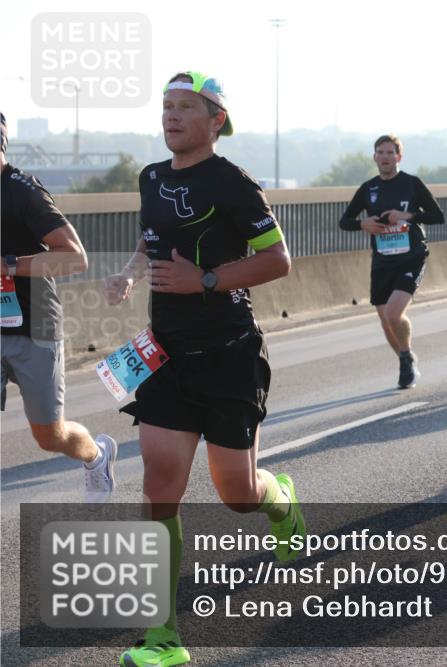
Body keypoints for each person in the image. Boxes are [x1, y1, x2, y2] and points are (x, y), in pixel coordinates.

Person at [104, 72, 303, 667]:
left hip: (229, 356)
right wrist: (132, 272)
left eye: (184, 107)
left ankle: (278, 499)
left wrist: (206, 280)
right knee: (159, 490)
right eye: (166, 106)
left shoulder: (233, 183)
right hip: (165, 354)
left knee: (236, 494)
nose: (170, 116)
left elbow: (279, 260)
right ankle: (161, 636)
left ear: (215, 119)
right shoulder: (152, 177)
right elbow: (151, 240)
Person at [0, 111, 118, 503]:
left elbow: (75, 258)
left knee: (50, 436)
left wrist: (11, 265)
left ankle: (97, 456)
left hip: (34, 327)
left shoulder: (22, 192)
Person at [339, 134, 444, 388]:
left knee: (394, 313)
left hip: (411, 257)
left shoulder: (412, 184)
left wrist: (406, 215)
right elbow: (345, 221)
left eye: (390, 153)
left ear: (399, 156)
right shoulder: (368, 188)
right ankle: (405, 359)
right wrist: (362, 223)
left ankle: (406, 356)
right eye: (380, 153)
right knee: (385, 319)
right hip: (383, 261)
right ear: (375, 157)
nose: (385, 157)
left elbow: (437, 216)